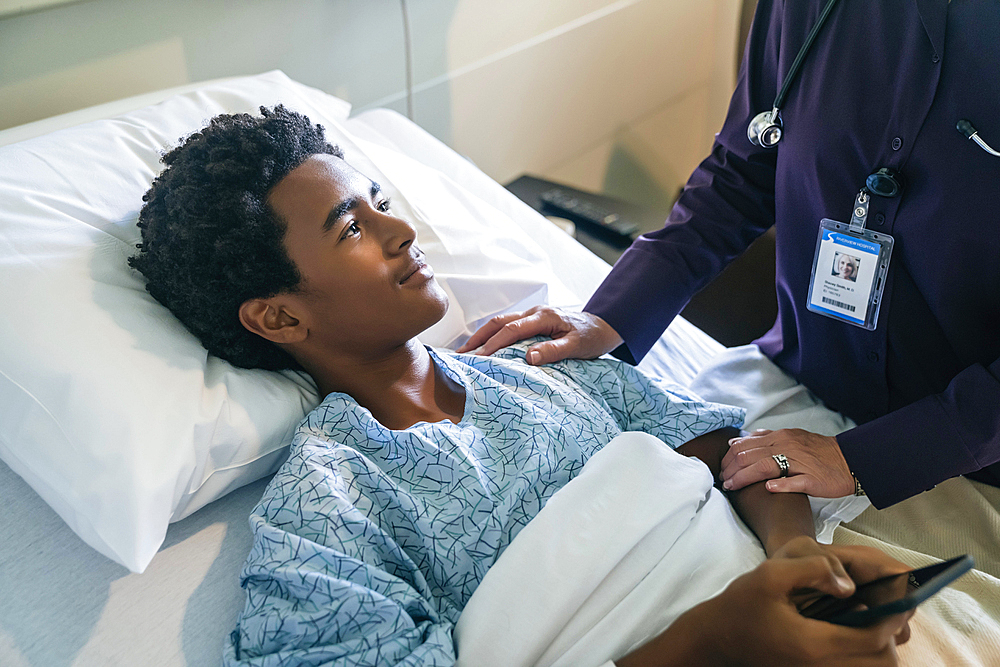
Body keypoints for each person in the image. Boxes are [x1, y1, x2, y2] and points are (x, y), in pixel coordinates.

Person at [130, 106, 911, 666]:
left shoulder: (538, 363)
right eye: (352, 228)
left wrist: (803, 563)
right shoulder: (325, 509)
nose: (399, 230)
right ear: (277, 316)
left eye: (382, 205)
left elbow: (734, 456)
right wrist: (721, 637)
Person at [460, 0, 1000, 510]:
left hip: (972, 451)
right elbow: (741, 173)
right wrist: (610, 315)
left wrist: (865, 458)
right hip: (804, 376)